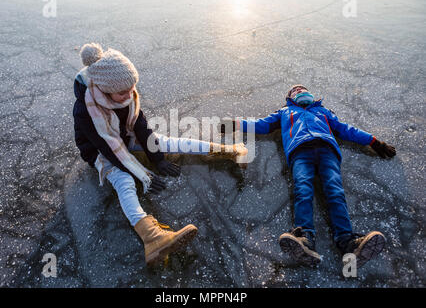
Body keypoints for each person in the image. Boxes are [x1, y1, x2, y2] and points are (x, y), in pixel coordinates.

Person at [72, 43, 247, 266]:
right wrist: (140, 173)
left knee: (166, 143)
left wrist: (158, 159)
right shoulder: (86, 109)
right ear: (105, 89)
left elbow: (142, 128)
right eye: (122, 92)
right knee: (124, 181)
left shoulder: (126, 94)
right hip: (100, 150)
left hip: (123, 137)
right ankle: (153, 239)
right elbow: (107, 147)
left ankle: (229, 152)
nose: (129, 94)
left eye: (131, 88)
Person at [220, 85, 396, 268]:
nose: (299, 90)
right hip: (300, 152)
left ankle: (348, 242)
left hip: (327, 151)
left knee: (335, 191)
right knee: (303, 189)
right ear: (289, 97)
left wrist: (374, 142)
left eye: (302, 88)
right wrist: (236, 123)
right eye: (295, 90)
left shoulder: (322, 111)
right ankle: (305, 239)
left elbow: (345, 129)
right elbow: (262, 125)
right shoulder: (285, 111)